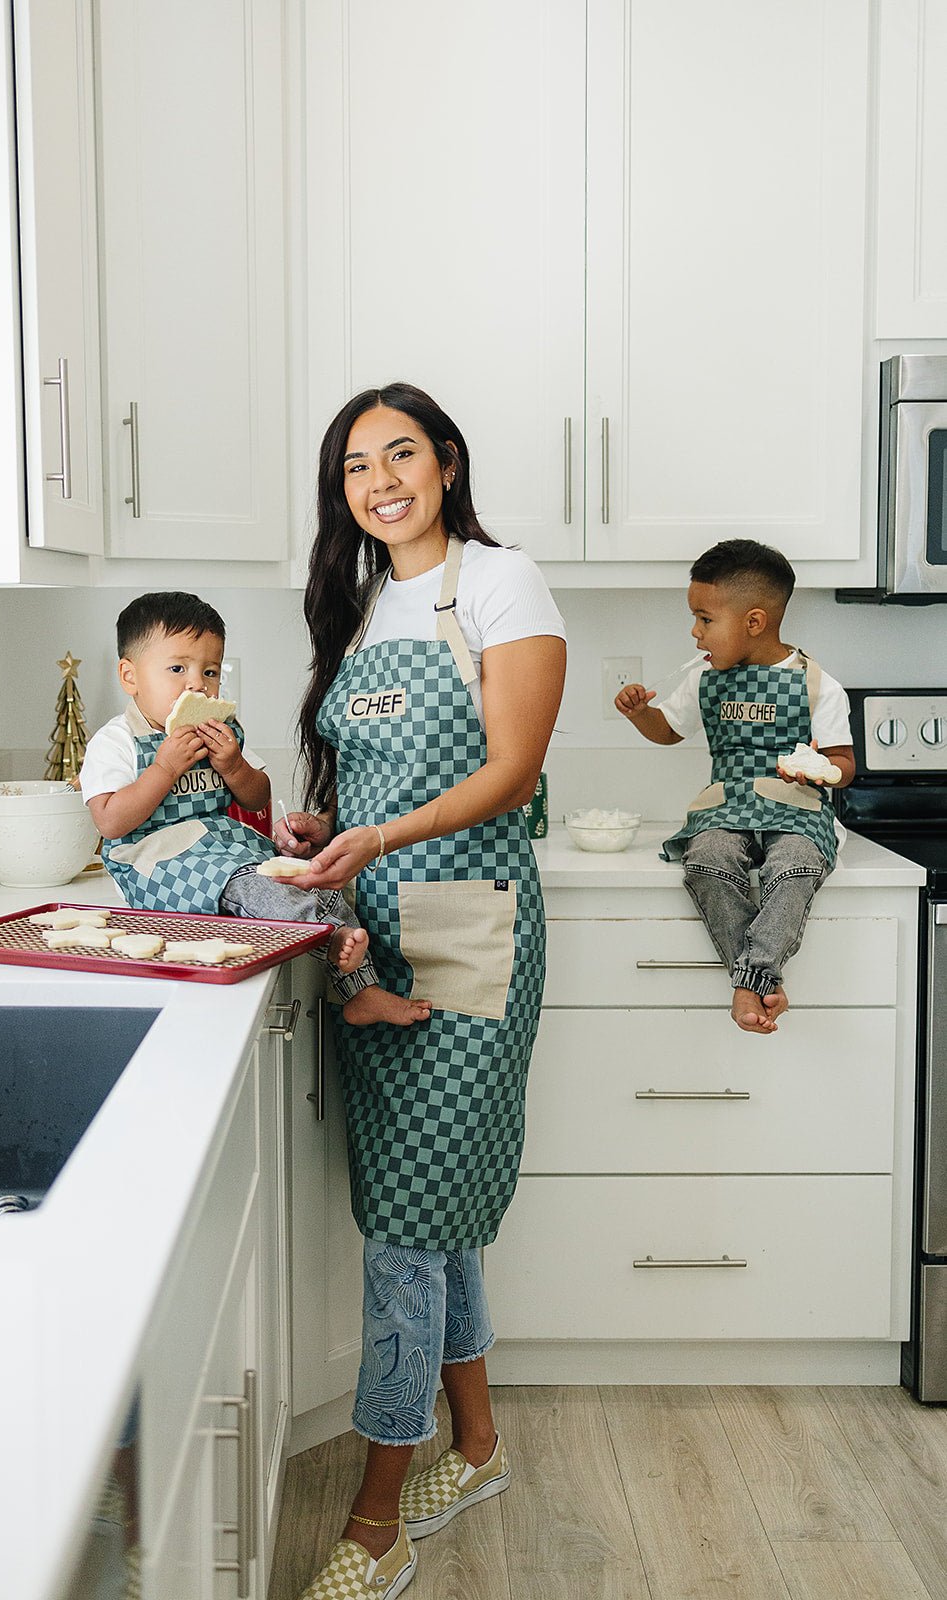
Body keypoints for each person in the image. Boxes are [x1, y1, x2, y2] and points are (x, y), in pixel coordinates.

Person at [274, 384, 566, 1600]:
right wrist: (328, 829)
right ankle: (479, 1447)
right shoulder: (359, 609)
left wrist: (376, 838)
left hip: (464, 919)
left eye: (401, 453)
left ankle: (380, 1507)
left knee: (403, 1227)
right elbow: (374, 782)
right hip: (369, 928)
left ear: (445, 463)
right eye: (355, 464)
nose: (380, 479)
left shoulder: (498, 582)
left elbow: (508, 772)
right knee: (422, 1202)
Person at [78, 590, 426, 1026]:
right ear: (130, 676)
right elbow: (110, 822)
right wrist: (163, 768)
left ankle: (362, 990)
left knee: (311, 878)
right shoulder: (116, 742)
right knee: (259, 889)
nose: (196, 684)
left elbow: (257, 796)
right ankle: (330, 938)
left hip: (224, 848)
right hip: (158, 862)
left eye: (209, 671)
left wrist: (233, 764)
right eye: (177, 669)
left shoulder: (218, 732)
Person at [615, 539, 855, 1035]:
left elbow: (843, 763)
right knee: (705, 860)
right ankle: (760, 976)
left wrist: (815, 769)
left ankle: (751, 980)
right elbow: (669, 730)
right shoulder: (705, 679)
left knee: (794, 865)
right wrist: (641, 715)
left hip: (797, 810)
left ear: (754, 621)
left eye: (705, 619)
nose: (695, 632)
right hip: (725, 807)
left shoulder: (818, 685)